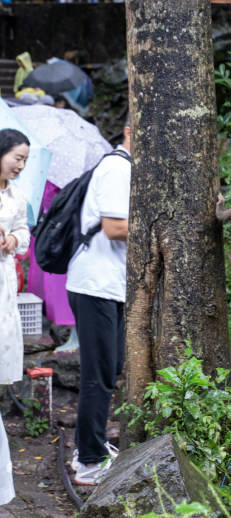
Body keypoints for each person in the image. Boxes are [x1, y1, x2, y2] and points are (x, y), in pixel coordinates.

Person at [66, 118, 131, 485]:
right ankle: (90, 459)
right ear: (129, 131)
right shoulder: (116, 168)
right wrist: (159, 224)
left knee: (112, 365)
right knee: (99, 374)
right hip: (94, 284)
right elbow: (113, 227)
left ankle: (87, 447)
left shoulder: (126, 168)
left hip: (109, 284)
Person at [0, 129, 31, 505]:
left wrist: (12, 241)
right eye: (16, 157)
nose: (21, 165)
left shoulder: (15, 195)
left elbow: (23, 232)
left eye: (25, 160)